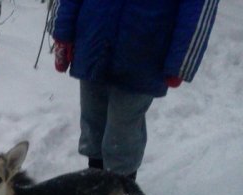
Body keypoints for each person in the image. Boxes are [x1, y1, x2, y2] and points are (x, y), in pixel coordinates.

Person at [48, 0, 220, 179]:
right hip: (92, 42)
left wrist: (183, 60)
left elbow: (199, 8)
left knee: (121, 136)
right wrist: (62, 32)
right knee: (93, 126)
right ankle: (95, 191)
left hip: (143, 55)